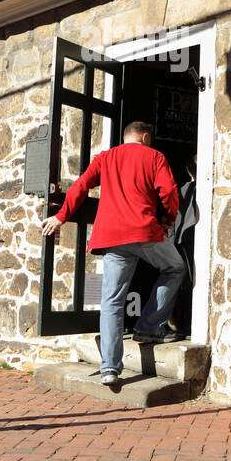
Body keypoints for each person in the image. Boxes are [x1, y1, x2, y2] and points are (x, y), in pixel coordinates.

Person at [42, 120, 184, 386]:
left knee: (112, 301)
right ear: (144, 136)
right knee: (175, 268)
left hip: (112, 237)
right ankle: (149, 326)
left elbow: (81, 185)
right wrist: (168, 219)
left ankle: (110, 368)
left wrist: (61, 216)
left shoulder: (105, 158)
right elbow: (169, 192)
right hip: (144, 232)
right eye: (149, 138)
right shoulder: (154, 156)